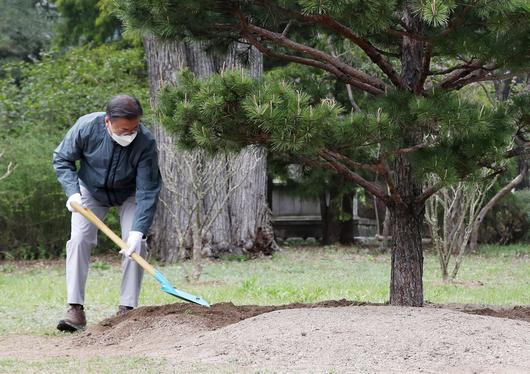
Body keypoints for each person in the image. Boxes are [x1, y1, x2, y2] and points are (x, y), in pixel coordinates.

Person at [52, 95, 161, 332]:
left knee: (137, 245)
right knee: (79, 239)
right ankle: (75, 309)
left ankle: (127, 310)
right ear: (107, 122)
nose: (130, 134)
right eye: (123, 130)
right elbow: (62, 158)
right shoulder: (86, 127)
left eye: (134, 128)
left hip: (130, 192)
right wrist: (72, 192)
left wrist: (137, 231)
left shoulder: (145, 142)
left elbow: (148, 189)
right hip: (89, 190)